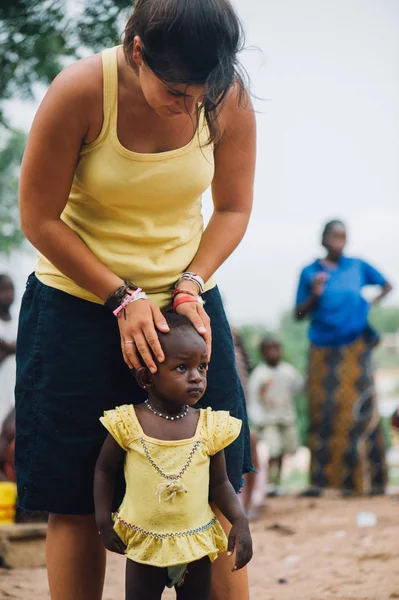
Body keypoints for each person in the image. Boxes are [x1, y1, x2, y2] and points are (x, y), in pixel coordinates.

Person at [16, 1, 255, 598]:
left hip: (186, 308)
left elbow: (232, 208)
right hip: (77, 303)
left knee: (213, 472)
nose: (190, 105)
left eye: (204, 91)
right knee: (73, 495)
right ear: (139, 51)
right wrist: (120, 297)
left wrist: (192, 281)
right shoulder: (79, 93)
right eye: (177, 90)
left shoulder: (226, 99)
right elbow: (38, 217)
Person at [94, 313, 252, 599]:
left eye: (202, 367)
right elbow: (105, 470)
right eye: (182, 367)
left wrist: (240, 520)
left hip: (196, 542)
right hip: (146, 541)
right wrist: (103, 521)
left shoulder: (209, 426)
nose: (196, 377)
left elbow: (220, 484)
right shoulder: (128, 423)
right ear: (147, 377)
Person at [295, 220, 392, 497]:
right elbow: (298, 314)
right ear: (323, 239)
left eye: (343, 236)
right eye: (335, 236)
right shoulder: (310, 272)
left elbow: (387, 285)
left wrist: (368, 304)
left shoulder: (358, 266)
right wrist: (314, 295)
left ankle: (369, 483)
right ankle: (326, 484)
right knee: (324, 415)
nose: (340, 241)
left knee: (361, 412)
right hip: (323, 352)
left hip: (356, 350)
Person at [247, 337, 303, 495]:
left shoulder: (288, 371)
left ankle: (277, 482)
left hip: (287, 417)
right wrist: (258, 419)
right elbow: (253, 399)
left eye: (276, 349)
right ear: (262, 353)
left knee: (286, 450)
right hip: (268, 419)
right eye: (269, 350)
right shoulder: (259, 375)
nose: (273, 353)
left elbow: (298, 389)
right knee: (273, 449)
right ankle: (269, 484)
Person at [0, 275, 17, 429]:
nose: (8, 294)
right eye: (3, 289)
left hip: (16, 380)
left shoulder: (18, 321)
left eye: (10, 289)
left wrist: (8, 347)